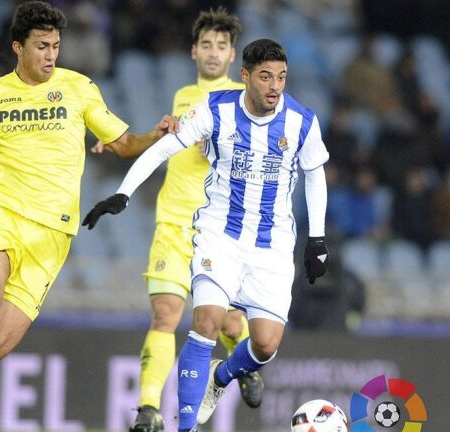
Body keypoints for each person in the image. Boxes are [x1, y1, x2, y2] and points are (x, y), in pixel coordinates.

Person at [0, 2, 176, 431]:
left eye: (55, 45)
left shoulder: (78, 88)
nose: (51, 55)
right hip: (1, 213)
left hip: (52, 235)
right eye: (41, 46)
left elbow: (123, 143)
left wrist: (154, 136)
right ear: (18, 47)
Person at [83, 39, 329, 431]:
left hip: (273, 243)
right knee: (207, 321)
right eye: (265, 76)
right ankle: (186, 427)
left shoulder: (302, 121)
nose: (274, 87)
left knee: (265, 344)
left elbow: (315, 174)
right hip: (220, 234)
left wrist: (316, 239)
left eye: (281, 77)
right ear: (245, 76)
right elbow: (163, 149)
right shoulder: (217, 109)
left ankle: (221, 377)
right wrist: (123, 193)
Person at [90, 9, 262, 430]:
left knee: (226, 321)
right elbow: (167, 143)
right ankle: (149, 409)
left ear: (233, 54)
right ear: (193, 51)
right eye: (206, 44)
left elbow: (260, 160)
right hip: (173, 221)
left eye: (221, 46)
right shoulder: (184, 95)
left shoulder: (244, 100)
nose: (213, 52)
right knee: (166, 314)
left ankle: (246, 361)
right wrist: (152, 135)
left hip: (220, 225)